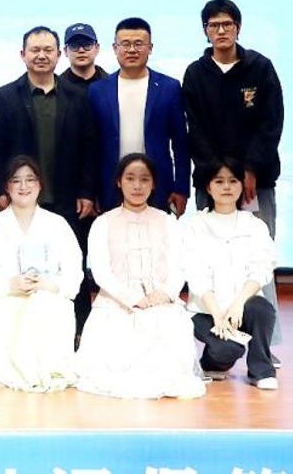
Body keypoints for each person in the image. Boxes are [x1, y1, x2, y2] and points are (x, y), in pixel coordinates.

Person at [182, 0, 285, 348]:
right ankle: (219, 338)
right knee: (209, 260)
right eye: (214, 25)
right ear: (205, 31)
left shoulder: (260, 67)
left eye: (227, 24)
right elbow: (194, 128)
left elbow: (272, 123)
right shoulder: (196, 73)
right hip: (211, 182)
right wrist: (217, 175)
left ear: (238, 27)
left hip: (257, 183)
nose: (221, 30)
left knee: (259, 262)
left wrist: (250, 170)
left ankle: (265, 345)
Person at [0, 26, 97, 330]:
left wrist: (87, 191)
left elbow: (90, 146)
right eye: (35, 50)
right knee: (19, 269)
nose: (42, 55)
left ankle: (77, 332)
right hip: (20, 200)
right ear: (23, 55)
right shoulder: (6, 96)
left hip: (67, 199)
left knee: (69, 267)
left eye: (48, 50)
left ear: (59, 54)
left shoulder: (77, 96)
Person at [74, 154, 205, 400]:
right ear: (118, 182)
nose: (137, 186)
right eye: (130, 179)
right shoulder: (103, 223)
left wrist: (164, 294)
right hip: (115, 302)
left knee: (167, 333)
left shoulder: (167, 222)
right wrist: (131, 298)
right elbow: (101, 271)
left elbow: (179, 266)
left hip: (159, 300)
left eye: (144, 179)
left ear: (153, 184)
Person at [0, 156, 82, 392]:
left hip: (46, 296)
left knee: (49, 306)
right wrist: (10, 284)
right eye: (16, 180)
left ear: (40, 184)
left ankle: (45, 370)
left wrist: (48, 285)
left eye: (30, 179)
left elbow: (74, 271)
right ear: (7, 186)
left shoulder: (57, 224)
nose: (24, 186)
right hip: (5, 297)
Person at [181, 157, 279, 390]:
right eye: (219, 181)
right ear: (208, 187)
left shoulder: (254, 225)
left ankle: (261, 371)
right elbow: (195, 273)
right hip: (206, 310)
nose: (226, 187)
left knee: (262, 309)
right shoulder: (195, 225)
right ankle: (212, 362)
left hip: (242, 307)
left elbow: (262, 267)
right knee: (227, 350)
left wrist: (238, 303)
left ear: (242, 185)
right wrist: (217, 313)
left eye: (233, 181)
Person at [88, 17, 190, 215]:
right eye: (125, 44)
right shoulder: (98, 90)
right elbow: (92, 146)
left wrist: (181, 188)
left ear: (150, 48)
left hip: (158, 185)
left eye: (138, 44)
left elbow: (181, 143)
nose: (132, 50)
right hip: (111, 186)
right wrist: (91, 191)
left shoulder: (169, 87)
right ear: (115, 48)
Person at [59, 23, 108, 92]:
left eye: (87, 45)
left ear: (97, 48)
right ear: (65, 51)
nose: (81, 50)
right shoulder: (56, 88)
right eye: (74, 46)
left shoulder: (113, 84)